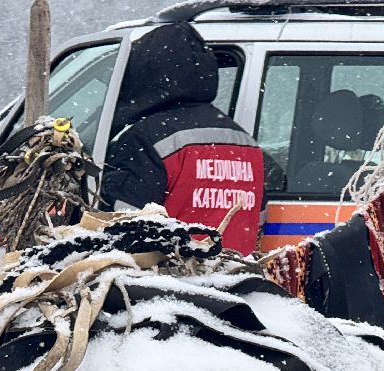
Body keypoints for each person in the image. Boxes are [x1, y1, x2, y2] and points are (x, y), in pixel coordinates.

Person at [99, 23, 264, 254]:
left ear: (144, 74)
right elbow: (257, 221)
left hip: (171, 272)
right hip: (235, 271)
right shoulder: (246, 142)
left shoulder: (145, 138)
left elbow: (120, 224)